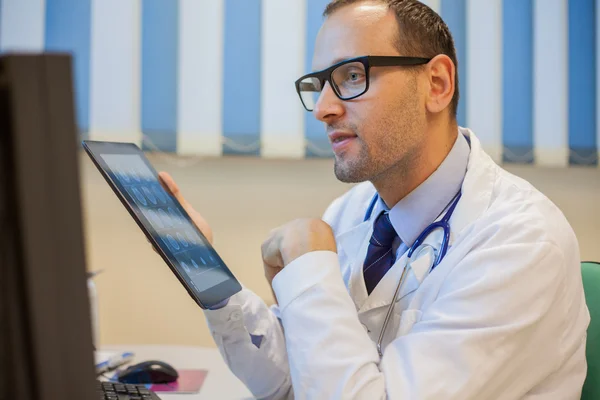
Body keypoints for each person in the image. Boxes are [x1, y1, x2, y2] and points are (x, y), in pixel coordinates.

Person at [159, 0, 590, 398]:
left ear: (436, 84)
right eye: (320, 84)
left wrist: (310, 268)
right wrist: (204, 270)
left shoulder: (520, 244)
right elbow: (295, 381)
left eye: (351, 76)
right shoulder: (355, 210)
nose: (322, 109)